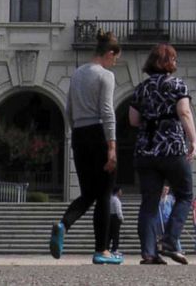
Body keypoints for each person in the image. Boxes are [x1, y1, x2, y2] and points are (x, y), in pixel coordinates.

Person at [52, 31, 121, 265]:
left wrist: (76, 132)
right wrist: (111, 147)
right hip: (98, 133)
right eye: (115, 58)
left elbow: (68, 109)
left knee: (89, 193)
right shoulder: (105, 75)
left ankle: (64, 224)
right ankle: (102, 250)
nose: (115, 63)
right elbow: (107, 111)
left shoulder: (77, 74)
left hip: (79, 134)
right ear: (109, 53)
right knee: (104, 194)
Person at [129, 43, 196, 265]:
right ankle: (169, 240)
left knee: (149, 202)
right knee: (185, 194)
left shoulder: (140, 88)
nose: (175, 63)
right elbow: (184, 112)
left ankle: (149, 253)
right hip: (172, 148)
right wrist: (193, 140)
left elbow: (133, 120)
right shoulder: (177, 85)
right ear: (163, 62)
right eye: (173, 59)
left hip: (145, 150)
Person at [108, 186, 124, 258]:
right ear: (117, 192)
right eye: (120, 191)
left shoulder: (110, 199)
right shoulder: (116, 200)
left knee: (109, 234)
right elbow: (118, 211)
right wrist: (121, 218)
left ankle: (107, 248)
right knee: (116, 234)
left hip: (110, 217)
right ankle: (114, 249)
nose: (121, 192)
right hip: (115, 218)